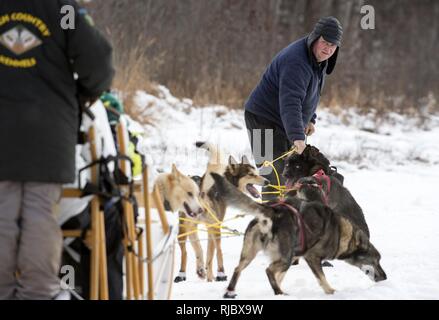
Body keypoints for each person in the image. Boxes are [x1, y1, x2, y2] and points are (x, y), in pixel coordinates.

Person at [0, 0, 114, 299]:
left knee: (1, 211)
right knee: (40, 211)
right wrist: (84, 93)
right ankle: (39, 292)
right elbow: (98, 61)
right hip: (48, 128)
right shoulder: (61, 10)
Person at [244, 16, 343, 200]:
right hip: (260, 118)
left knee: (289, 174)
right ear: (315, 38)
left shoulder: (319, 59)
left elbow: (311, 92)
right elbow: (290, 102)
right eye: (325, 42)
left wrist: (310, 119)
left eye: (333, 45)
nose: (328, 49)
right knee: (273, 175)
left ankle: (286, 222)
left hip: (284, 122)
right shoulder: (296, 62)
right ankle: (271, 225)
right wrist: (297, 137)